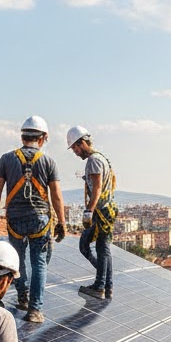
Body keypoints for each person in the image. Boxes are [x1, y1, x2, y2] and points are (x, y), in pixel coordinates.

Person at [0, 116, 66, 324]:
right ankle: (35, 310)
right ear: (43, 137)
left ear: (23, 136)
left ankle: (22, 296)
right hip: (40, 219)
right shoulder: (48, 162)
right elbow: (56, 194)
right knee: (39, 263)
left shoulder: (6, 159)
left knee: (17, 261)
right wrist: (62, 222)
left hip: (15, 219)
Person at [67, 125, 117, 301]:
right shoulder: (101, 159)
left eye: (75, 147)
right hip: (106, 211)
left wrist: (88, 211)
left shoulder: (94, 161)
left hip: (100, 212)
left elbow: (96, 189)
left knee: (93, 247)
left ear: (82, 143)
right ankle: (106, 284)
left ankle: (100, 285)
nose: (75, 152)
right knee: (102, 249)